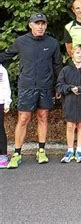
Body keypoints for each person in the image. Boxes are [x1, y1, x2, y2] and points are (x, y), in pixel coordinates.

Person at [0, 13, 62, 169]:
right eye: (37, 23)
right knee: (23, 119)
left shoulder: (53, 43)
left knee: (43, 116)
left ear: (46, 26)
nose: (40, 26)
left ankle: (41, 150)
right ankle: (17, 153)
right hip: (26, 86)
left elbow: (57, 66)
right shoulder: (21, 41)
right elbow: (6, 55)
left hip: (46, 86)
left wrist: (58, 86)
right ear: (30, 25)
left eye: (43, 23)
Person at [56, 44, 81, 163]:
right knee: (70, 125)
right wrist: (69, 88)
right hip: (69, 102)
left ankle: (79, 149)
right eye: (77, 53)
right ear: (72, 54)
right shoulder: (65, 70)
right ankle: (69, 149)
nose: (79, 55)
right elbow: (59, 86)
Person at [0, 63, 12, 168]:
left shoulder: (2, 70)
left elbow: (6, 86)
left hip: (0, 102)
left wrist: (7, 102)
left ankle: (3, 154)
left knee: (0, 129)